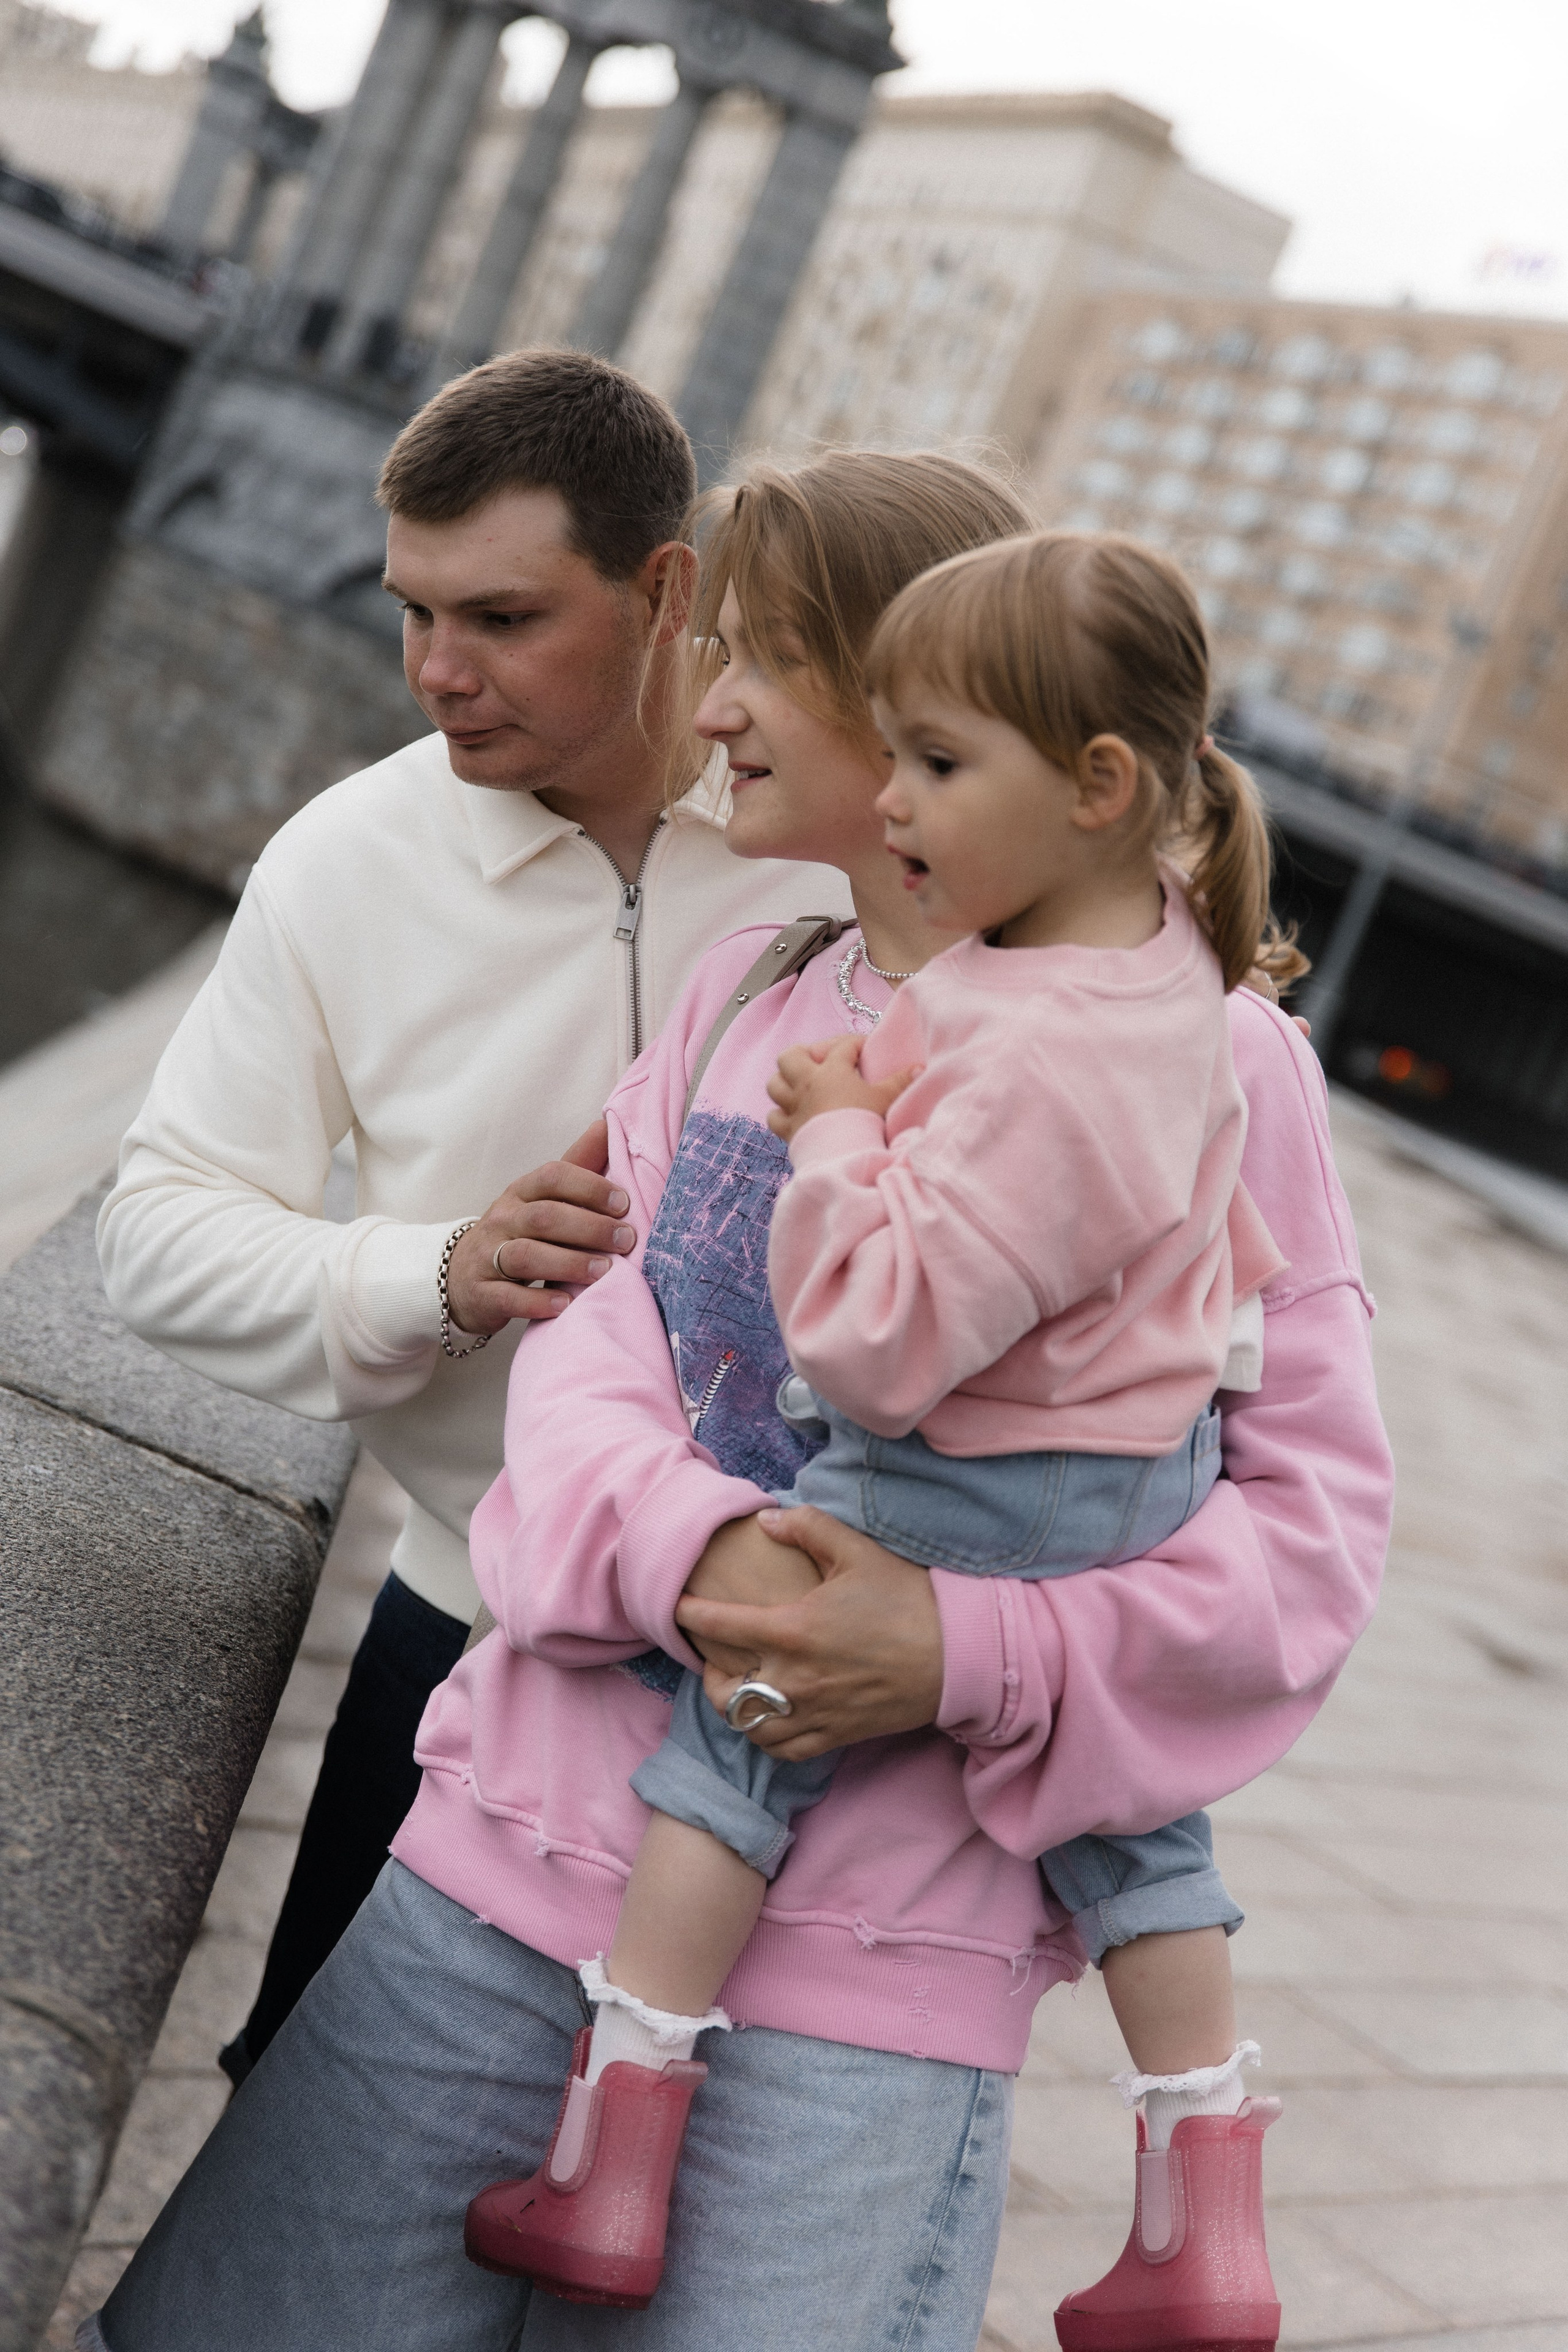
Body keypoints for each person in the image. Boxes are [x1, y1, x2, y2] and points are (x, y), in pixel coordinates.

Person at [87, 453, 1390, 2352]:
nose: (712, 706)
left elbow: (1313, 1542)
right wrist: (703, 1560)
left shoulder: (1225, 1069)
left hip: (871, 2003)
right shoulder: (739, 995)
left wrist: (963, 1650)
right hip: (507, 1877)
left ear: (925, 694)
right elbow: (582, 1379)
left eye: (772, 657)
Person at [500, 526, 1297, 2324]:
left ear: (1097, 786)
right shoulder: (1165, 971)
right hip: (1137, 1459)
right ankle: (1205, 2219)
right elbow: (1218, 1258)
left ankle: (612, 2157)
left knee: (738, 1745)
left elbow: (873, 1348)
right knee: (1142, 1829)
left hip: (981, 1477)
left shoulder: (1034, 1050)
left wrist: (841, 1134)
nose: (903, 803)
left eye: (937, 762)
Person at [94, 349, 850, 2083]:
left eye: (504, 617)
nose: (439, 670)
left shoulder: (835, 829)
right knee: (312, 2118)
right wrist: (436, 1272)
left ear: (667, 591)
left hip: (807, 1680)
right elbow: (156, 1232)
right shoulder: (344, 861)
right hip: (469, 1621)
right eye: (414, 612)